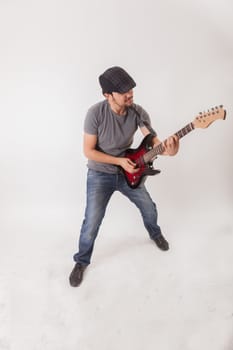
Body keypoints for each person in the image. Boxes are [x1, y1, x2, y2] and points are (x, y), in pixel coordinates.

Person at [69, 66, 179, 287]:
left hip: (131, 171)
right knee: (92, 220)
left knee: (148, 207)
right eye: (124, 92)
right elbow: (88, 151)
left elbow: (153, 142)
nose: (130, 94)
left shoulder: (138, 112)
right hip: (100, 173)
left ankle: (154, 233)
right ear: (107, 95)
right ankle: (81, 261)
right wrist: (119, 161)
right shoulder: (95, 114)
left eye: (131, 89)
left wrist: (169, 150)